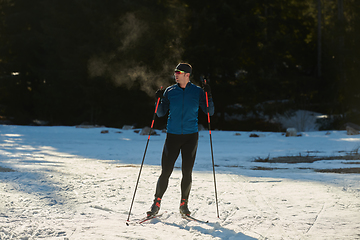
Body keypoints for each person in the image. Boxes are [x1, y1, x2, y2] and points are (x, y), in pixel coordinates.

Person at [147, 63, 214, 216]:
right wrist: (158, 101)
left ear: (187, 75)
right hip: (173, 136)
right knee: (166, 171)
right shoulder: (170, 91)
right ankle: (156, 203)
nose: (176, 74)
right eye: (175, 72)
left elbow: (210, 111)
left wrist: (208, 96)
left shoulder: (197, 92)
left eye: (179, 72)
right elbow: (160, 113)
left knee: (187, 172)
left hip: (191, 137)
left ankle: (184, 204)